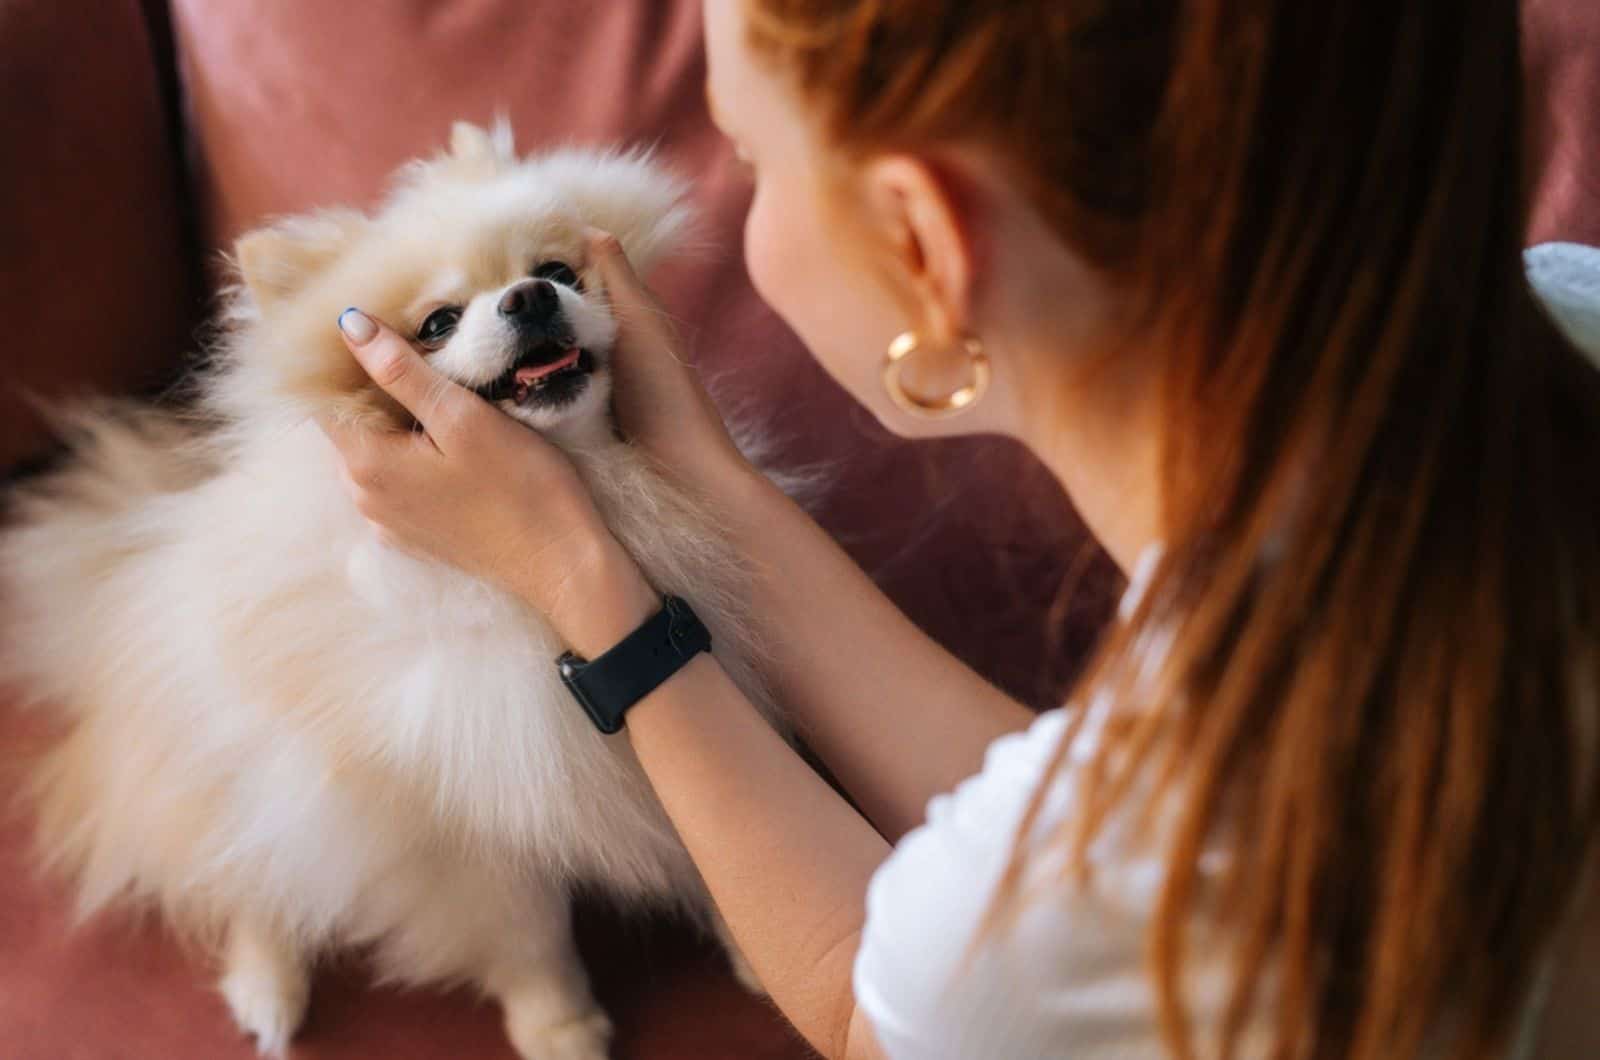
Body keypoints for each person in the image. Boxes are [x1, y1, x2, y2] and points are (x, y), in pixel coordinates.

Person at [320, 0, 1600, 1056]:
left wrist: (576, 574)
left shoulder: (1107, 889)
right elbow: (1096, 837)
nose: (740, 213)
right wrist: (705, 484)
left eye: (753, 165)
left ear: (924, 243)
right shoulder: (1558, 324)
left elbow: (862, 990)